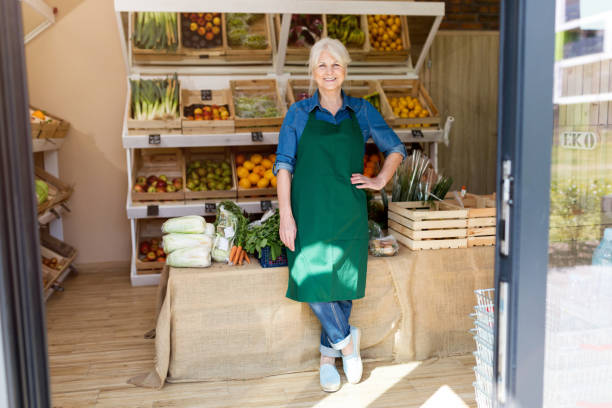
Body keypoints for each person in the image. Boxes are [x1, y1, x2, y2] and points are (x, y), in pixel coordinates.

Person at [273, 38, 406, 392]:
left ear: (345, 70)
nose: (329, 72)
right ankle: (347, 343)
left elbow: (395, 148)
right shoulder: (298, 114)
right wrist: (286, 215)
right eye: (322, 66)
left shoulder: (361, 111)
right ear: (313, 73)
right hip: (309, 213)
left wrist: (379, 179)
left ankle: (326, 359)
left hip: (348, 210)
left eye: (335, 65)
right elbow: (283, 166)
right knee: (311, 279)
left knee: (342, 287)